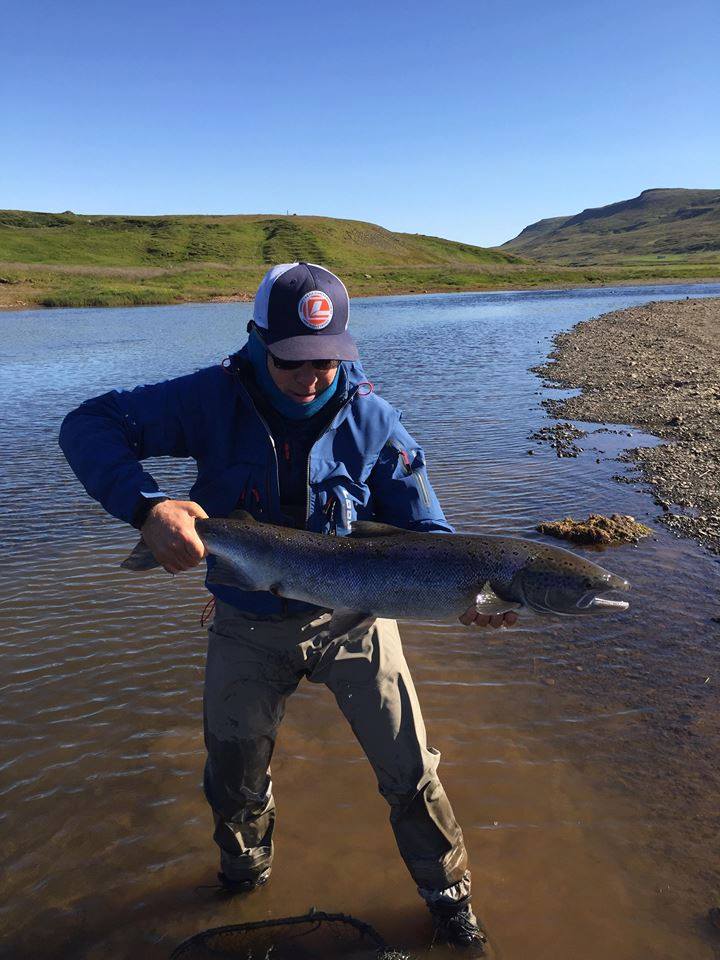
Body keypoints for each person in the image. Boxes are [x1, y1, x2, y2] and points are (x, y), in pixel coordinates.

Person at [59, 262, 517, 956]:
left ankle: (449, 901)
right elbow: (88, 423)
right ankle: (246, 877)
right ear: (256, 342)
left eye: (328, 360)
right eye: (292, 362)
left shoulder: (374, 419)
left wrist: (467, 597)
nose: (311, 376)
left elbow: (431, 539)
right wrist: (147, 507)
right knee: (233, 773)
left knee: (412, 773)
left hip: (360, 622)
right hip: (245, 623)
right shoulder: (208, 398)